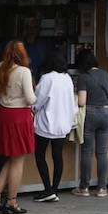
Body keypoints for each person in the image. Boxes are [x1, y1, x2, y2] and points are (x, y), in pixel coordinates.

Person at [0, 40, 35, 213]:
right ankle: (12, 201)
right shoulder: (24, 71)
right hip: (19, 116)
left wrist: (4, 98)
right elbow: (30, 99)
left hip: (3, 114)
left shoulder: (0, 67)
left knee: (11, 157)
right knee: (18, 159)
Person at [31, 51, 76, 203]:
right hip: (63, 124)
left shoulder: (47, 78)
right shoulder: (67, 78)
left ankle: (47, 189)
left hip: (45, 123)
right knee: (58, 157)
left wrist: (33, 109)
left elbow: (37, 100)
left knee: (40, 155)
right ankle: (54, 189)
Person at [71, 50, 108, 198]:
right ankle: (102, 188)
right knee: (102, 152)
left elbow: (82, 101)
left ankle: (84, 188)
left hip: (90, 114)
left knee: (87, 152)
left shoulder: (84, 77)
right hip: (106, 113)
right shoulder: (105, 74)